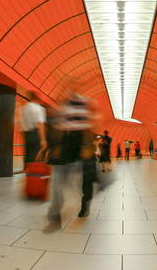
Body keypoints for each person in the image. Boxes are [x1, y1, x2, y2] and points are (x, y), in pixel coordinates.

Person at [44, 82, 98, 232]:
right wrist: (54, 147)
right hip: (65, 146)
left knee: (78, 181)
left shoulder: (85, 103)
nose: (69, 90)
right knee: (59, 178)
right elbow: (57, 126)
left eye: (72, 87)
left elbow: (91, 125)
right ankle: (55, 212)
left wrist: (87, 147)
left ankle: (83, 204)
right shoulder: (63, 105)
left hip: (79, 146)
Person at [20, 91, 47, 165]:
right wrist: (43, 140)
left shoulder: (24, 108)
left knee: (27, 155)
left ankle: (27, 172)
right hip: (35, 134)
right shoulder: (39, 108)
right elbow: (40, 124)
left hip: (26, 134)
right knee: (34, 155)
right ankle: (33, 174)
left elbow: (22, 123)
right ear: (37, 98)